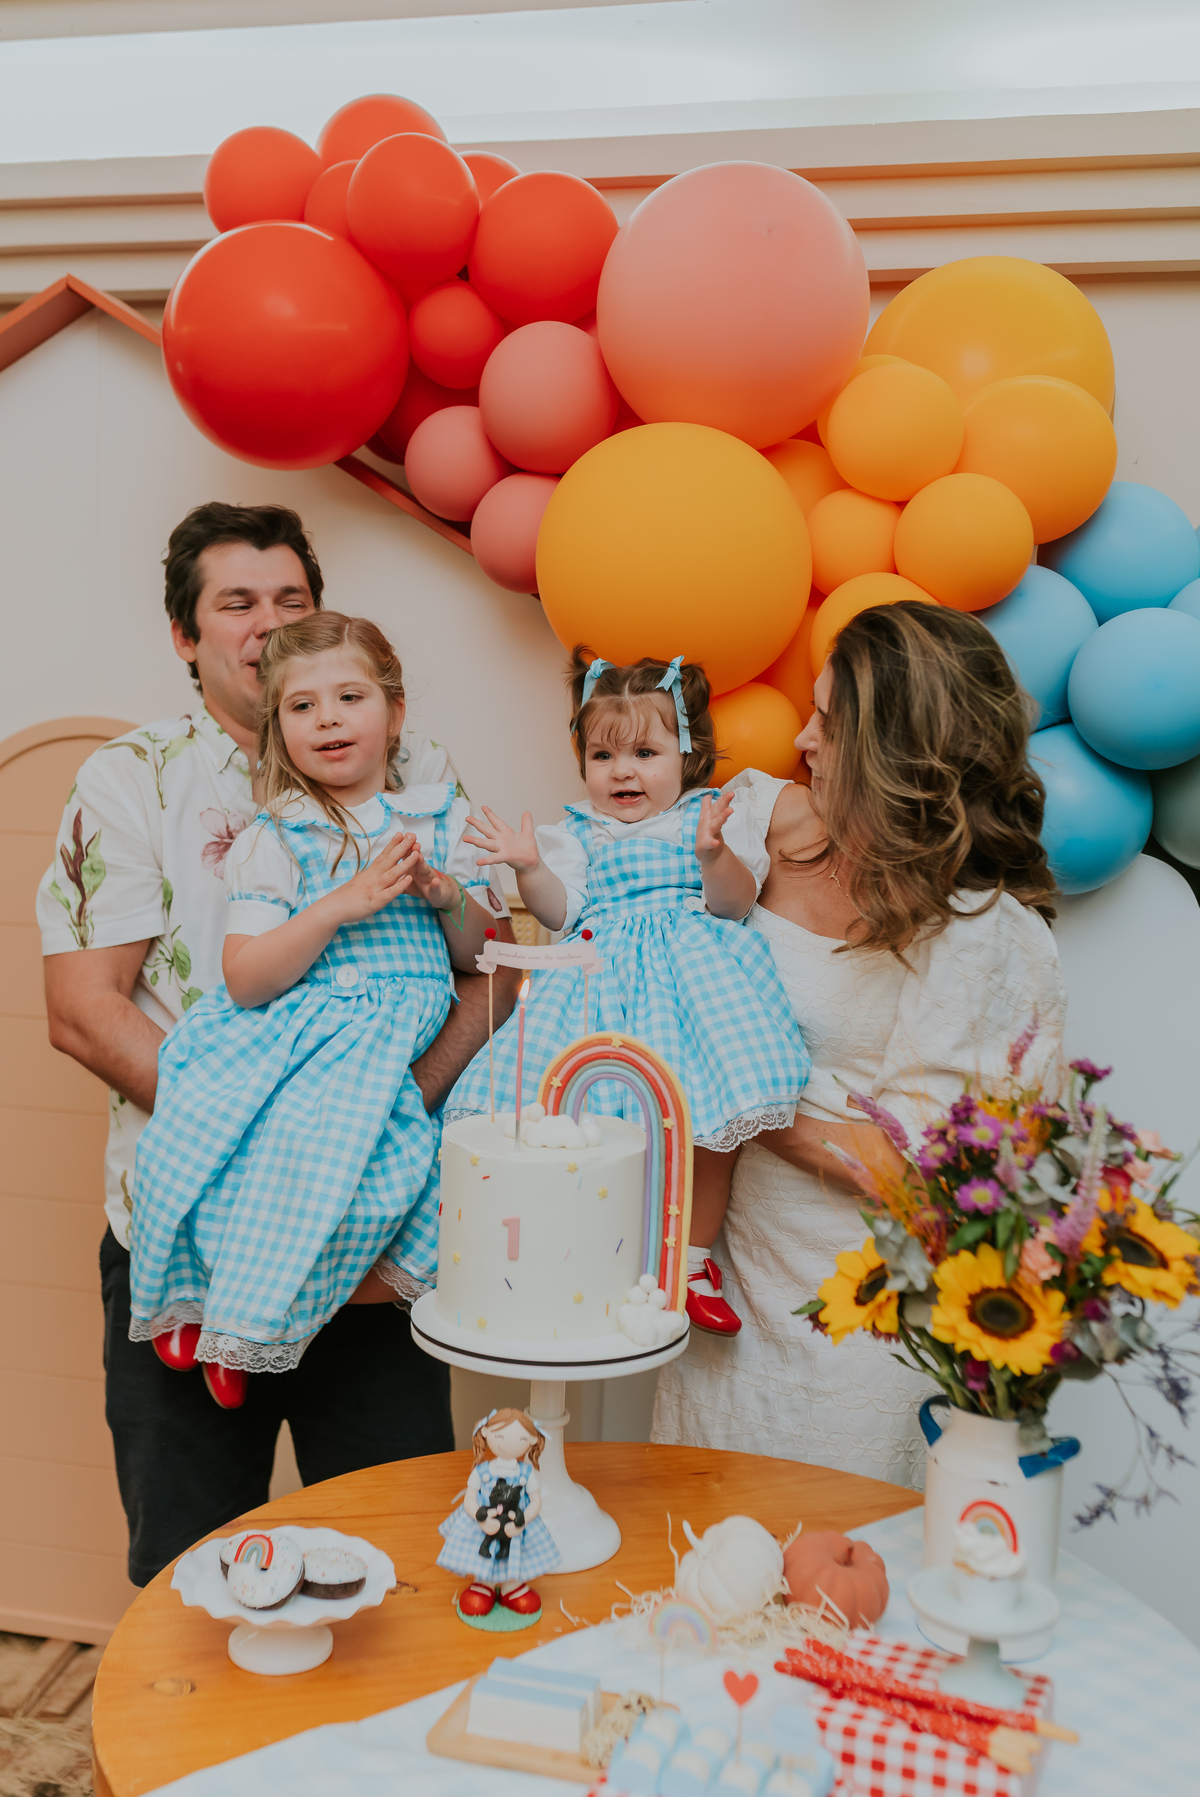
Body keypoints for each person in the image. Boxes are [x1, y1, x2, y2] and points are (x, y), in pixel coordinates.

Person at [39, 501, 518, 1584]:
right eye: (236, 603)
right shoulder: (131, 778)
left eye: (290, 599)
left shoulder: (417, 773)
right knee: (190, 1574)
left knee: (401, 1557)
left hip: (376, 1240)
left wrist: (364, 1129)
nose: (266, 623)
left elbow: (493, 967)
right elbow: (82, 1009)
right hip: (196, 1236)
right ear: (185, 634)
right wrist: (265, 1153)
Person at [652, 602, 1066, 1485]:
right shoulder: (765, 833)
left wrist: (728, 1084)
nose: (802, 740)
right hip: (720, 1301)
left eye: (830, 724)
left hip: (864, 1335)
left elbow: (920, 1168)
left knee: (840, 1561)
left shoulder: (986, 933)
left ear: (899, 755)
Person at [128, 613, 498, 1402]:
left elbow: (483, 957)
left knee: (364, 1186)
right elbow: (245, 976)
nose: (327, 718)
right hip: (301, 1028)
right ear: (280, 730)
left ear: (395, 713)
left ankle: (248, 1327)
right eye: (302, 706)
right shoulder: (278, 835)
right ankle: (187, 1304)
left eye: (350, 697)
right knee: (198, 1140)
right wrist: (339, 904)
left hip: (390, 1040)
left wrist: (446, 896)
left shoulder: (442, 818)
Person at [447, 647, 812, 1337]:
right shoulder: (578, 832)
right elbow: (561, 912)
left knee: (705, 1129)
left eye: (645, 752)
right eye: (603, 755)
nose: (622, 771)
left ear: (687, 754)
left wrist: (713, 854)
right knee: (578, 1121)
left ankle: (693, 1262)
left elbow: (734, 905)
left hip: (693, 990)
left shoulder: (708, 817)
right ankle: (593, 1258)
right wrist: (529, 869)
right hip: (596, 985)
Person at [436, 1407, 561, 1619]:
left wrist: (522, 1521)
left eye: (520, 1438)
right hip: (485, 1522)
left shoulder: (526, 1472)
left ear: (532, 1440)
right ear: (485, 1433)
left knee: (513, 1553)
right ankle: (483, 1584)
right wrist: (481, 1518)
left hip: (515, 1523)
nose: (507, 1443)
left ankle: (511, 1587)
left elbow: (536, 1502)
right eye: (500, 1436)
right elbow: (469, 1499)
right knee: (483, 1552)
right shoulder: (482, 1471)